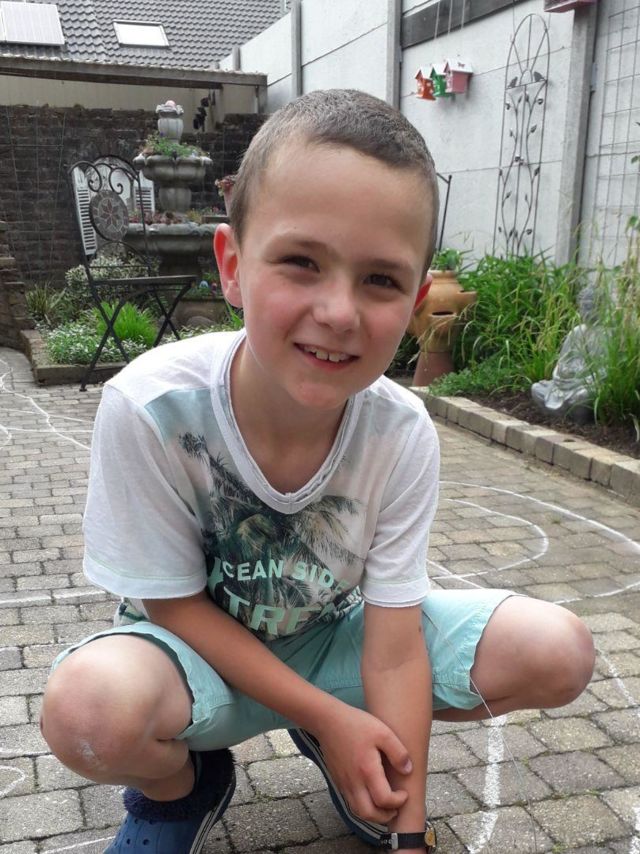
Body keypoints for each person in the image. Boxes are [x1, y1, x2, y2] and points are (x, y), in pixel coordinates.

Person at [41, 89, 595, 854]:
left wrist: (409, 834)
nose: (339, 312)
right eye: (302, 262)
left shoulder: (401, 432)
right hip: (194, 656)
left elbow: (393, 646)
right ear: (232, 267)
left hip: (334, 643)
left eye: (381, 280)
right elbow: (171, 605)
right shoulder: (151, 407)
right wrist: (332, 716)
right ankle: (181, 790)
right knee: (87, 711)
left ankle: (356, 757)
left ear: (416, 302)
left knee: (558, 650)